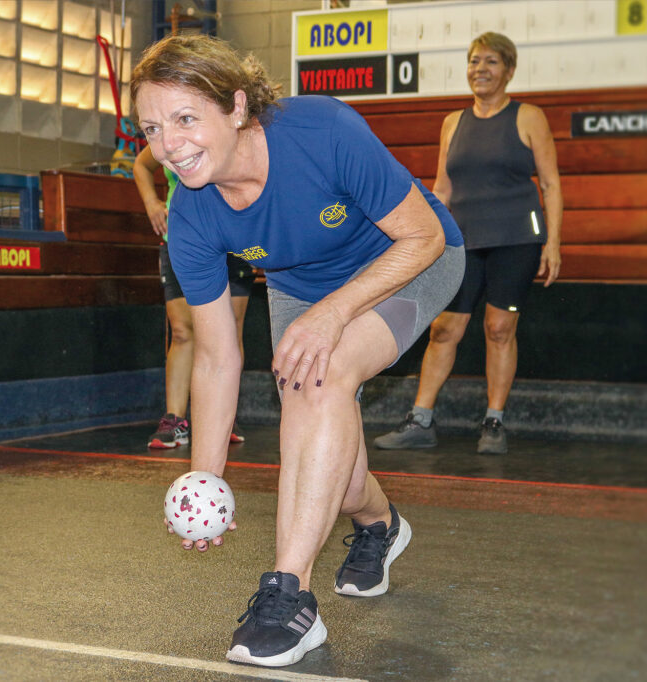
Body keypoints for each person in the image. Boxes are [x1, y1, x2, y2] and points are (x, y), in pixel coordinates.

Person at [131, 35, 465, 668]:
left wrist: (335, 313)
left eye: (184, 119)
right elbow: (214, 356)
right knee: (331, 481)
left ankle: (291, 598)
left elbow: (421, 236)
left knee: (320, 375)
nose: (169, 145)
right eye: (152, 127)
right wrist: (207, 480)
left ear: (235, 108)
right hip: (302, 289)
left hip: (412, 260)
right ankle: (379, 524)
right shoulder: (192, 213)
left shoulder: (323, 131)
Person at [374, 32, 562, 455]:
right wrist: (425, 239)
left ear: (509, 70)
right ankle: (420, 419)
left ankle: (494, 421)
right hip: (465, 241)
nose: (481, 69)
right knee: (444, 329)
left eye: (492, 62)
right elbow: (442, 188)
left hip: (516, 238)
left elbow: (550, 183)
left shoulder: (528, 116)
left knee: (499, 328)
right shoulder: (453, 122)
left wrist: (553, 243)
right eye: (475, 61)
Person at [132, 144, 255, 449]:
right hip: (182, 238)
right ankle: (175, 420)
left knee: (230, 328)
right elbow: (141, 165)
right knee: (183, 330)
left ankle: (223, 415)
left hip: (232, 238)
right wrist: (151, 202)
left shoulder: (224, 131)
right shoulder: (169, 138)